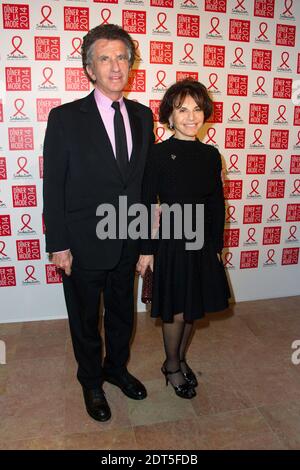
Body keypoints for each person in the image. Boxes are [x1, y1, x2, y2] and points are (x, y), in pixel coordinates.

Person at [43, 24, 154, 422]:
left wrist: (146, 245)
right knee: (86, 318)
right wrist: (58, 243)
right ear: (90, 69)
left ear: (131, 64)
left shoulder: (143, 117)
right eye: (104, 58)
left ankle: (116, 368)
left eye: (122, 57)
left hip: (128, 239)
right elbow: (53, 186)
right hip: (82, 242)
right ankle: (90, 379)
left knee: (123, 314)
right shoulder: (65, 118)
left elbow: (142, 185)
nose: (115, 66)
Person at [136, 79, 230, 399]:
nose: (191, 116)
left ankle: (180, 358)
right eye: (182, 110)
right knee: (176, 309)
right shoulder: (158, 155)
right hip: (173, 239)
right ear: (170, 116)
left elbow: (217, 204)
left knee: (192, 307)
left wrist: (216, 246)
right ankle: (172, 365)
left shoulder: (210, 155)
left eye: (197, 109)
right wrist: (146, 250)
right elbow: (146, 203)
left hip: (202, 240)